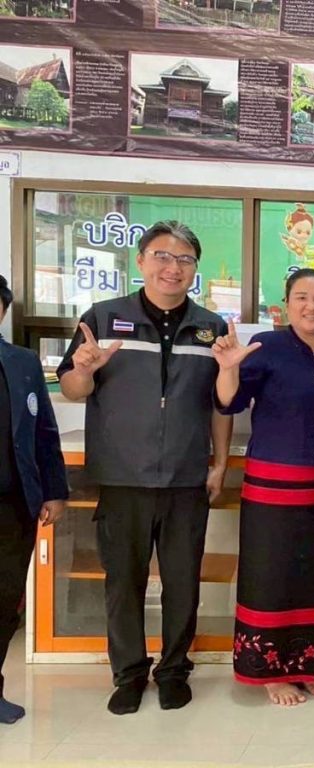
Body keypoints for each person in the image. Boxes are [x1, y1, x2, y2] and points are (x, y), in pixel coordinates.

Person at [57, 221, 231, 715]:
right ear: (141, 261)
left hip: (185, 477)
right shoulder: (103, 318)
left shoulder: (212, 327)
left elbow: (221, 404)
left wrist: (219, 463)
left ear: (195, 269)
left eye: (184, 260)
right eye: (162, 256)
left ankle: (174, 670)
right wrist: (84, 369)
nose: (173, 268)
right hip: (122, 475)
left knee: (183, 582)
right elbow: (73, 389)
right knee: (123, 582)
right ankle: (129, 673)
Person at [213, 268, 314, 707]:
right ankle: (271, 673)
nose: (311, 306)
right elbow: (228, 402)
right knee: (270, 576)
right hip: (271, 485)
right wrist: (228, 369)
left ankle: (305, 664)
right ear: (286, 304)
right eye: (302, 297)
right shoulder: (265, 347)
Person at [0, 275, 67, 724]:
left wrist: (55, 490)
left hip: (13, 505)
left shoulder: (22, 363)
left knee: (5, 603)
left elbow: (44, 430)